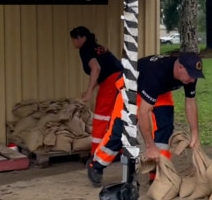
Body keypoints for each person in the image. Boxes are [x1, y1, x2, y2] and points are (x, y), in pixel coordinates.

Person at [87, 52, 204, 186]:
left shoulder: (189, 75)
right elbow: (143, 112)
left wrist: (195, 133)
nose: (193, 81)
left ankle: (158, 172)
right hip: (131, 88)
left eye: (195, 77)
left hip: (158, 91)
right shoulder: (156, 74)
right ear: (180, 68)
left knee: (164, 127)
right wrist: (149, 146)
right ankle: (96, 164)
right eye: (191, 76)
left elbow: (190, 103)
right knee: (120, 132)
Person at [69, 26, 123, 155]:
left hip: (112, 81)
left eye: (74, 39)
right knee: (116, 114)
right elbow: (102, 72)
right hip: (122, 78)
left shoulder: (85, 49)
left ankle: (96, 153)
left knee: (101, 115)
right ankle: (117, 148)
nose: (73, 42)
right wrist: (91, 88)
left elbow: (96, 69)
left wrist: (89, 92)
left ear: (81, 37)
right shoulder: (96, 47)